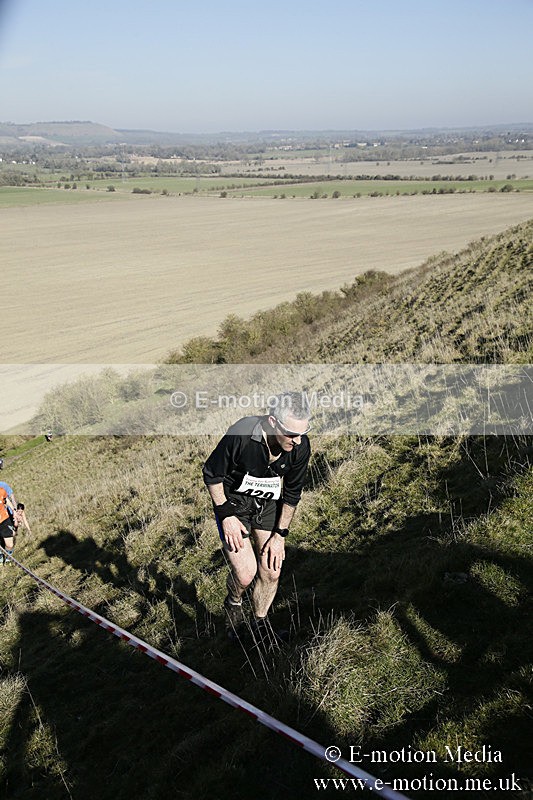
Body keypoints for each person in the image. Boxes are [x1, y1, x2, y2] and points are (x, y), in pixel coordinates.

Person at [203, 391, 311, 641]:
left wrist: (280, 535)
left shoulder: (300, 446)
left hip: (267, 503)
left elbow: (292, 493)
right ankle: (233, 602)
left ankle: (260, 625)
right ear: (273, 422)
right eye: (291, 434)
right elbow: (211, 474)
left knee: (272, 570)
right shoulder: (242, 434)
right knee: (245, 574)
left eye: (303, 433)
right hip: (233, 504)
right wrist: (226, 515)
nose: (297, 440)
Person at [0, 485, 16, 565]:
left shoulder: (1, 491)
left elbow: (6, 499)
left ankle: (8, 559)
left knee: (10, 545)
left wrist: (13, 510)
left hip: (4, 520)